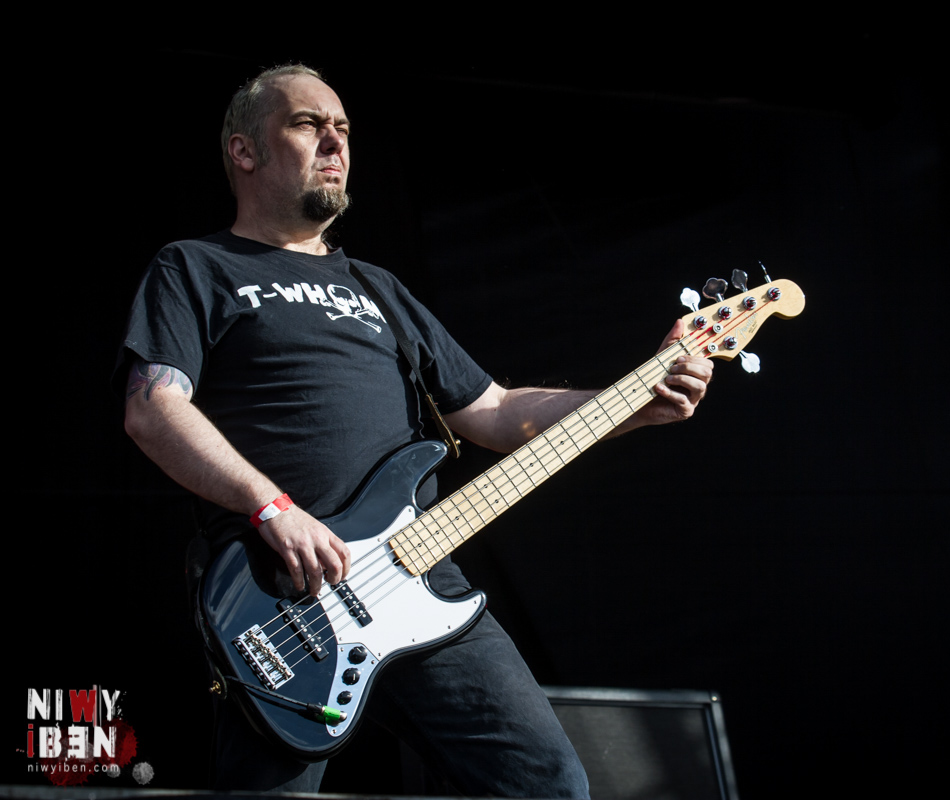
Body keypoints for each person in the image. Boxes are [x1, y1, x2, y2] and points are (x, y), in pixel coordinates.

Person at [118, 64, 712, 798]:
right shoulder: (196, 267)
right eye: (308, 124)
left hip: (420, 581)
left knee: (548, 783)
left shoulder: (379, 289)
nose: (335, 142)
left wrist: (631, 400)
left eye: (343, 129)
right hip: (281, 594)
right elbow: (154, 407)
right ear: (245, 150)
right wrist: (271, 507)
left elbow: (497, 411)